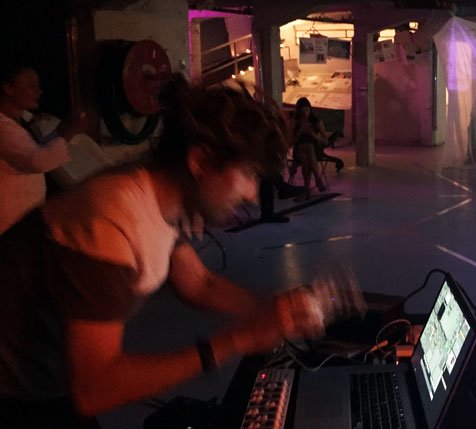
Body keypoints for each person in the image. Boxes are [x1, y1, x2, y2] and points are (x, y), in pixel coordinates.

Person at [0, 78, 363, 427]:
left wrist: (276, 310)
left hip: (44, 381)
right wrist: (237, 340)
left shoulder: (162, 196)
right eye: (249, 174)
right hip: (15, 395)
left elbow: (198, 283)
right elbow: (95, 389)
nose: (253, 195)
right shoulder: (111, 223)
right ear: (201, 162)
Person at [0, 59, 92, 234]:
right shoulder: (3, 128)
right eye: (31, 86)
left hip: (21, 222)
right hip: (10, 224)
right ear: (8, 88)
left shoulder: (17, 123)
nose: (39, 91)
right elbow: (37, 160)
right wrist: (69, 132)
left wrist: (61, 131)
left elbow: (35, 150)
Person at [290, 97, 344, 201]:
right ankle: (317, 178)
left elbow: (326, 142)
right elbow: (289, 142)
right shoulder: (294, 122)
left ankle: (306, 190)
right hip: (299, 152)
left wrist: (315, 136)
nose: (305, 113)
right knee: (306, 148)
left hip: (315, 151)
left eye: (307, 110)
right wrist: (300, 132)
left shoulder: (317, 122)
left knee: (308, 151)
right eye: (302, 111)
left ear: (310, 109)